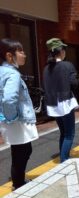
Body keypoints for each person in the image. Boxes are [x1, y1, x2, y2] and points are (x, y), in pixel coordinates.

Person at [0, 38, 38, 190]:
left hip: (9, 120)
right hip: (16, 121)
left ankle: (19, 181)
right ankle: (19, 183)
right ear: (10, 56)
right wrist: (11, 117)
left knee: (19, 152)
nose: (25, 54)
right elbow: (9, 100)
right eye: (21, 51)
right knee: (21, 152)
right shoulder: (12, 74)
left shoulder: (2, 72)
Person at [43, 38, 79, 163]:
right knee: (69, 134)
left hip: (53, 104)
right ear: (61, 51)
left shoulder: (46, 68)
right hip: (66, 102)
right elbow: (74, 84)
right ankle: (64, 161)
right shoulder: (67, 65)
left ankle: (63, 158)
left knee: (63, 132)